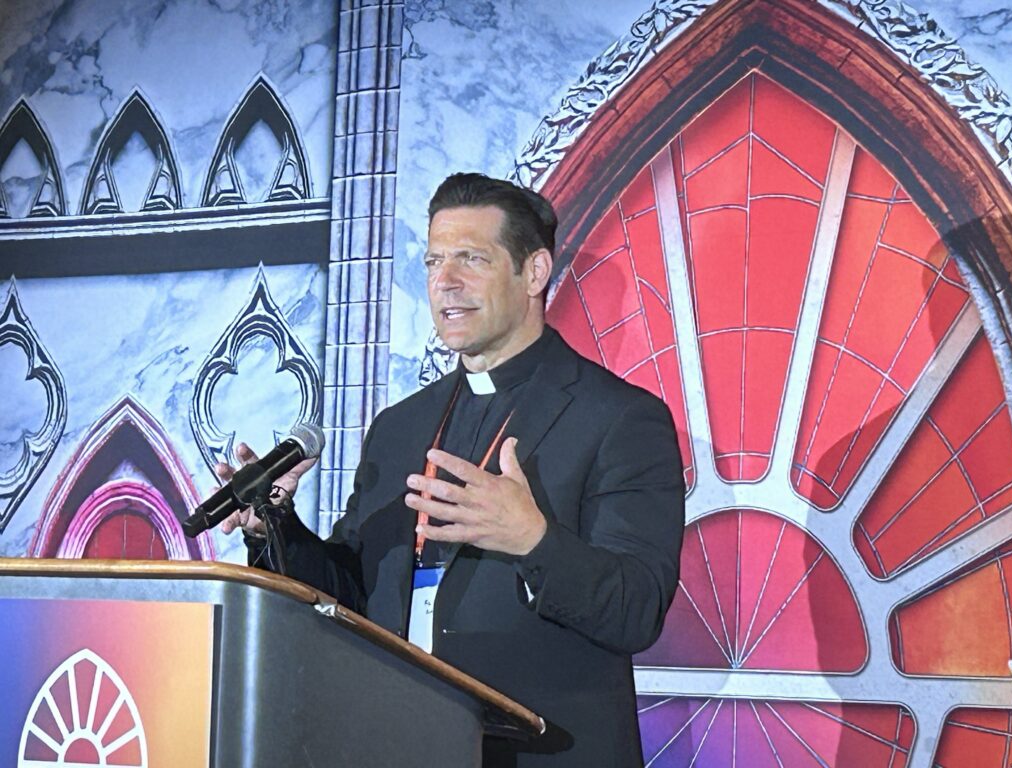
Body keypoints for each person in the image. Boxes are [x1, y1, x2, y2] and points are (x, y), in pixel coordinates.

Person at [219, 173, 685, 766]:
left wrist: (533, 540)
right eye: (435, 260)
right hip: (396, 744)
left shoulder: (621, 419)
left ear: (534, 273)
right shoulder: (400, 426)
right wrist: (274, 527)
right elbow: (354, 593)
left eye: (472, 258)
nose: (446, 282)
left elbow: (636, 609)